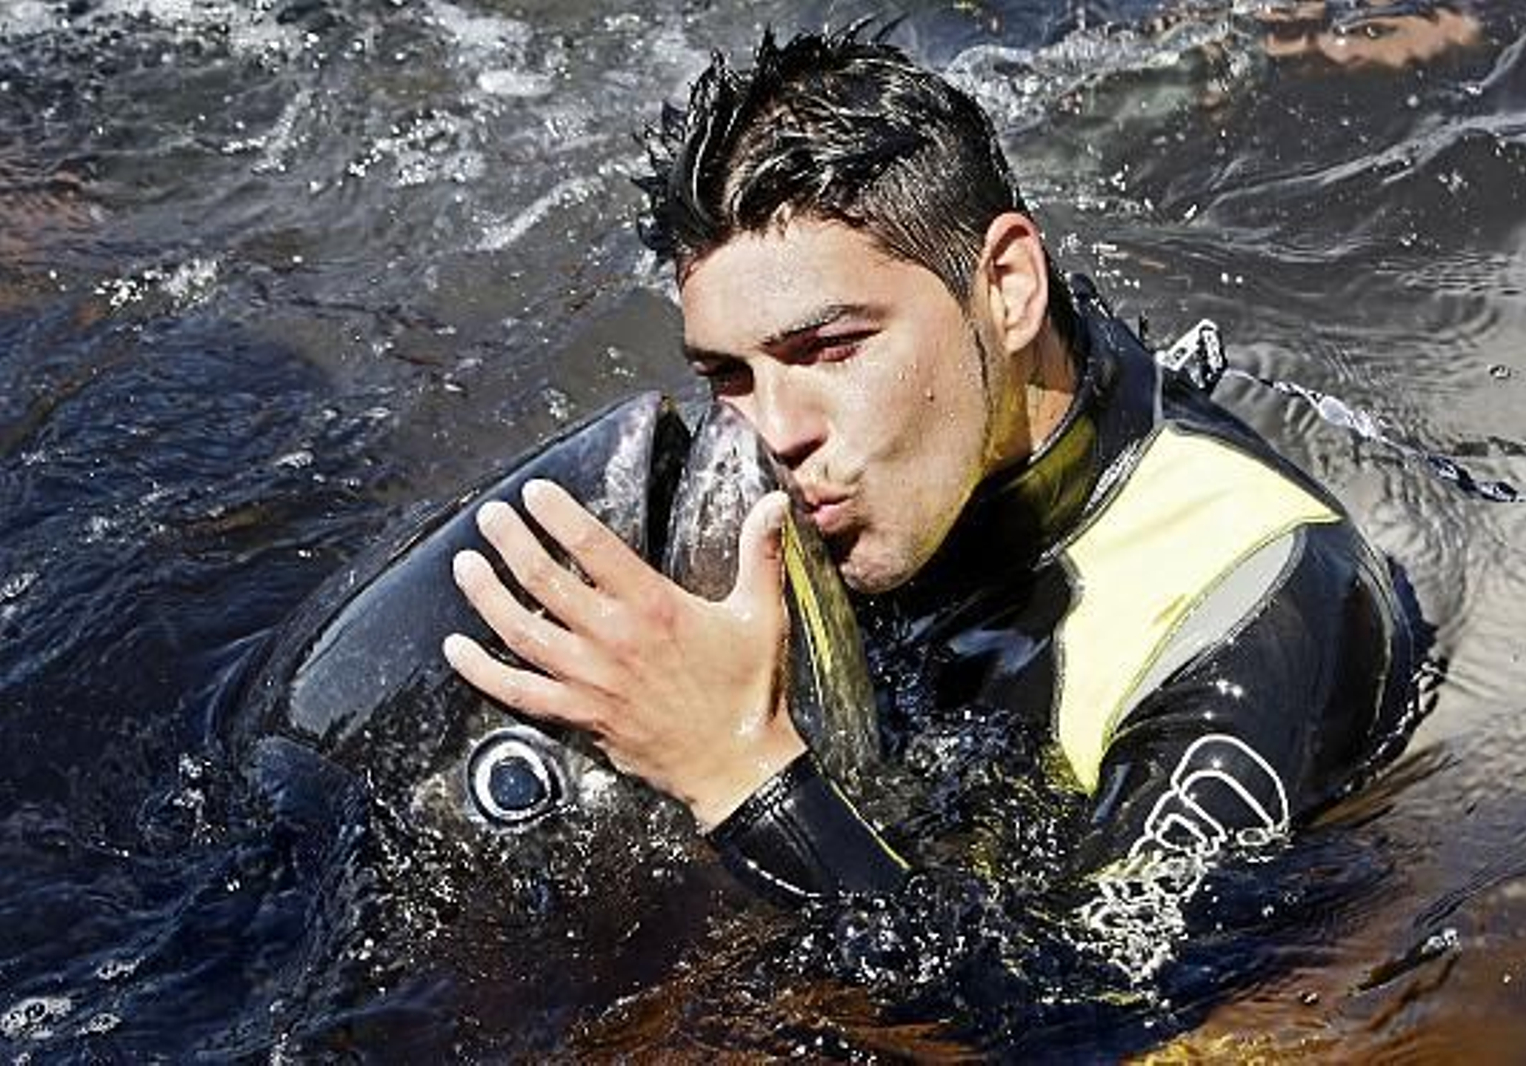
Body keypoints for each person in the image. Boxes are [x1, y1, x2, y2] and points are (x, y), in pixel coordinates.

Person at [442, 26, 1420, 929]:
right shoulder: (881, 480)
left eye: (830, 349)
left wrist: (736, 769)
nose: (773, 433)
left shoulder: (1250, 606)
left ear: (1006, 289)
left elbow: (1089, 1025)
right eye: (728, 374)